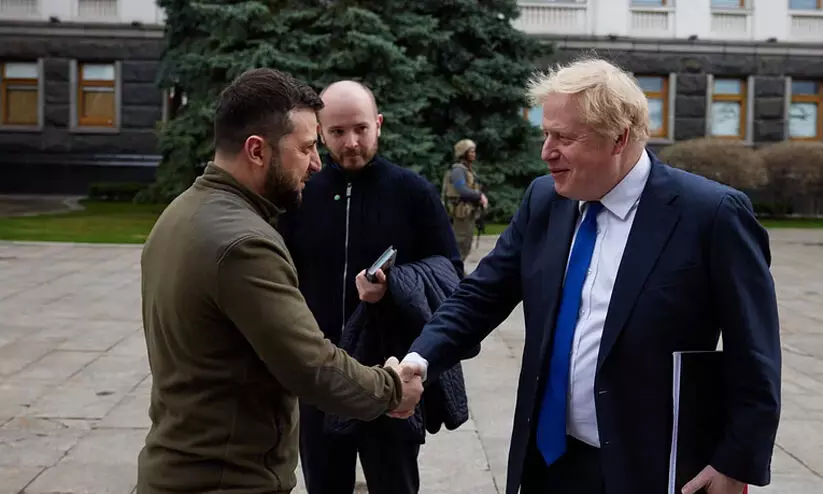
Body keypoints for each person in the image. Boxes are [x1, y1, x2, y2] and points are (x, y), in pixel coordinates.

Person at [399, 58, 781, 494]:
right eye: (545, 134)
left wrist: (735, 462)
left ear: (618, 138)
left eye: (563, 138)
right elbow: (482, 294)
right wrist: (419, 360)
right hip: (546, 462)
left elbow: (755, 350)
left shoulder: (710, 214)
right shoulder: (545, 198)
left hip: (648, 468)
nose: (546, 151)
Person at [137, 68, 423, 494]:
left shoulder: (181, 213)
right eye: (307, 147)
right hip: (225, 480)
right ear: (257, 150)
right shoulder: (244, 244)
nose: (316, 162)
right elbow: (313, 369)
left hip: (179, 470)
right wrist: (392, 387)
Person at [276, 80, 466, 494]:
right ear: (321, 133)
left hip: (388, 375)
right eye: (338, 132)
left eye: (361, 129)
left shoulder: (413, 192)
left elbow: (451, 273)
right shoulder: (300, 194)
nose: (351, 142)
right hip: (319, 376)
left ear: (378, 125)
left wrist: (394, 285)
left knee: (395, 484)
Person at [441, 138, 488, 261]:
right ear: (463, 153)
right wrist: (479, 196)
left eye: (474, 151)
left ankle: (457, 270)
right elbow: (461, 189)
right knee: (461, 244)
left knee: (465, 244)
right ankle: (454, 271)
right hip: (461, 213)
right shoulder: (458, 170)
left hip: (467, 212)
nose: (473, 154)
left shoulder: (466, 170)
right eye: (471, 151)